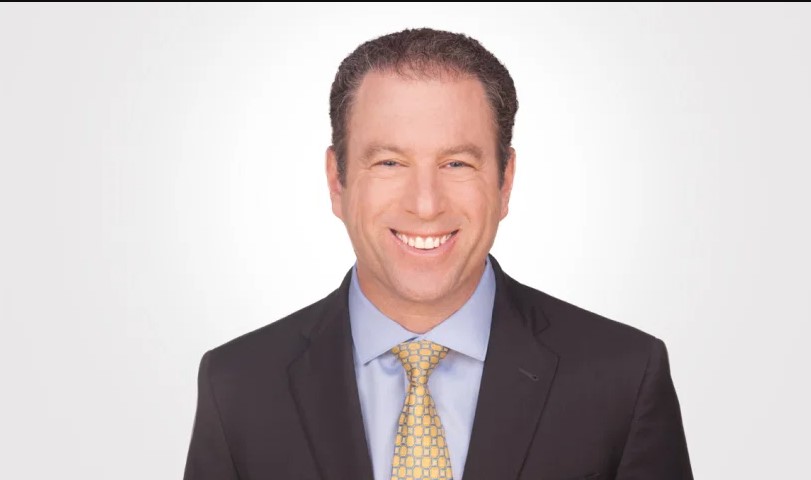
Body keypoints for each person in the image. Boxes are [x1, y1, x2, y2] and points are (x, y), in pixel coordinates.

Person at [183, 27, 693, 480]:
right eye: (389, 162)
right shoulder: (238, 386)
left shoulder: (624, 377)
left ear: (505, 182)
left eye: (457, 164)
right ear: (337, 182)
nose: (425, 204)